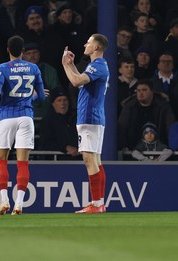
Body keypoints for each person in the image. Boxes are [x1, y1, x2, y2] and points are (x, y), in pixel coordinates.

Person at [0, 35, 46, 215]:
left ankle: (4, 200)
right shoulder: (34, 67)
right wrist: (31, 96)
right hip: (26, 117)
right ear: (23, 51)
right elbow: (42, 97)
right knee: (22, 163)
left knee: (1, 160)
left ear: (7, 50)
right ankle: (19, 204)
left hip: (6, 117)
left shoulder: (2, 68)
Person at [62, 34, 109, 213]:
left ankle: (96, 204)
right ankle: (100, 203)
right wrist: (71, 65)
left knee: (89, 159)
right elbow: (80, 79)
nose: (85, 44)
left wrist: (65, 65)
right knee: (96, 160)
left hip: (90, 118)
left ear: (96, 47)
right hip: (94, 118)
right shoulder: (97, 66)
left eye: (88, 42)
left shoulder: (98, 66)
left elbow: (75, 81)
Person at [118, 79, 176, 151]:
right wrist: (124, 146)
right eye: (138, 91)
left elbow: (170, 127)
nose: (140, 93)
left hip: (160, 150)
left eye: (144, 90)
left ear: (152, 91)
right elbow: (122, 129)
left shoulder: (163, 107)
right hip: (132, 150)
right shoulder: (129, 107)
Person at [39, 87, 80, 160]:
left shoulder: (76, 119)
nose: (63, 103)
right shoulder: (47, 121)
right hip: (56, 161)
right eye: (59, 100)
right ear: (53, 103)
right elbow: (45, 144)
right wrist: (65, 147)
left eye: (65, 100)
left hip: (78, 159)